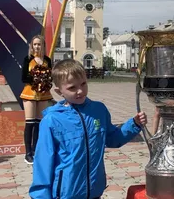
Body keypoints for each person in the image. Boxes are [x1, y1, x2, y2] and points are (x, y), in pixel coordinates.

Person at [29, 59, 147, 199]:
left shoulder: (98, 110)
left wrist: (134, 124)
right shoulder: (52, 120)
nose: (80, 91)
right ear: (59, 91)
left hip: (95, 191)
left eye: (83, 84)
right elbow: (43, 162)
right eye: (72, 88)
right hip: (66, 194)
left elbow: (112, 139)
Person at [20, 35, 53, 165]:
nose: (37, 47)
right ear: (31, 46)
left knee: (40, 122)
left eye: (40, 44)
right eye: (35, 44)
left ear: (43, 46)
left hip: (44, 94)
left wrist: (46, 80)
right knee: (30, 122)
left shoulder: (48, 60)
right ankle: (28, 153)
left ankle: (36, 150)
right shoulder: (28, 59)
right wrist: (37, 78)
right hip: (29, 93)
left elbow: (50, 76)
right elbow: (23, 77)